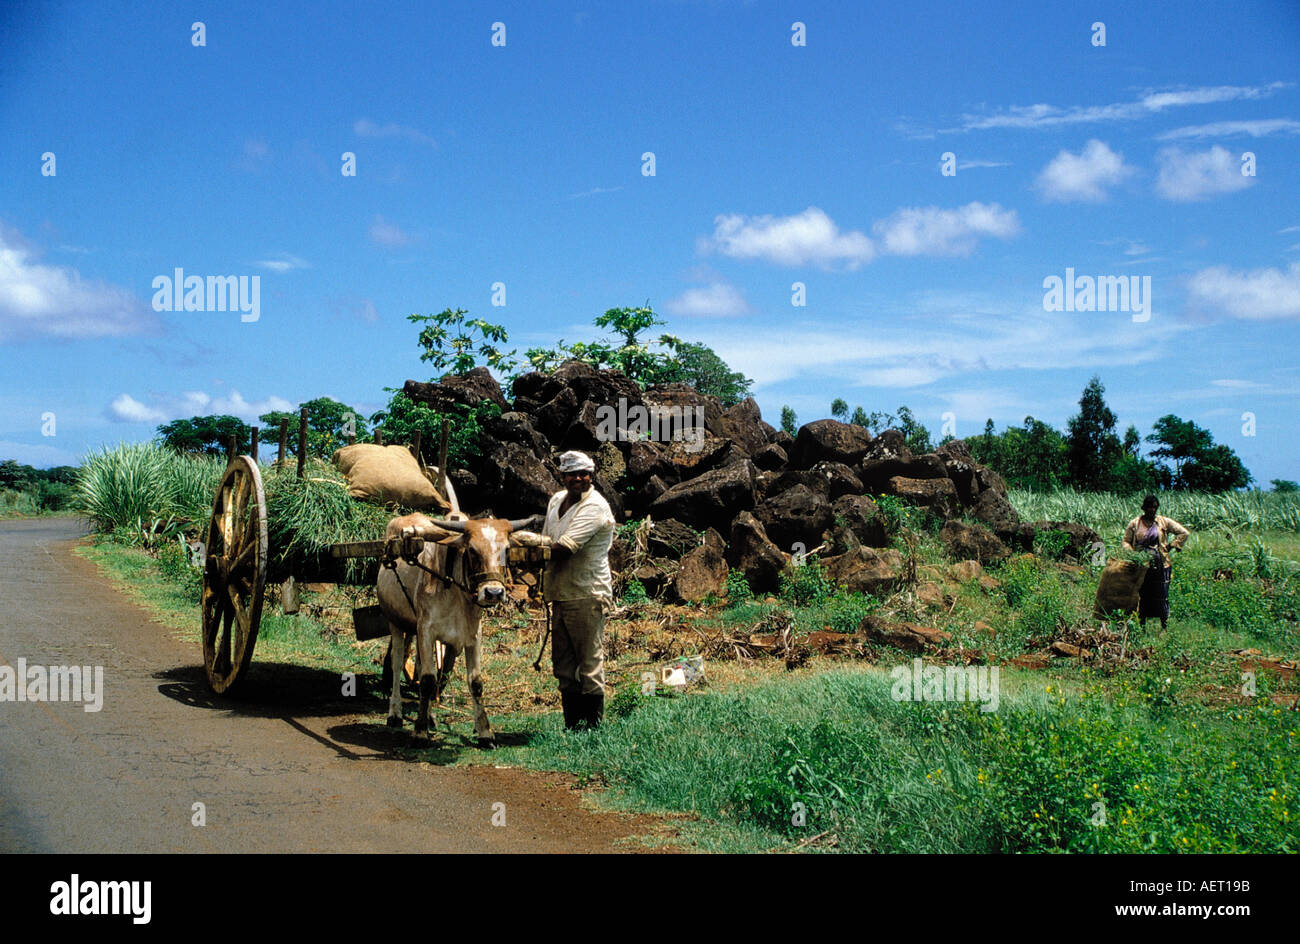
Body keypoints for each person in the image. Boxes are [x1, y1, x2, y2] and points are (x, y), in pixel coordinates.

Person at [537, 450, 615, 729]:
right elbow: (547, 538)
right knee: (563, 664)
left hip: (587, 593)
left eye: (584, 474)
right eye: (572, 474)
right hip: (560, 592)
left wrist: (522, 549)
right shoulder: (557, 500)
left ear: (591, 476)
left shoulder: (595, 507)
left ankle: (593, 729)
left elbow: (563, 548)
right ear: (563, 476)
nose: (579, 479)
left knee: (589, 662)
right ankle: (572, 726)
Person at [1121, 494, 1190, 630]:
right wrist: (1133, 554)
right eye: (1149, 508)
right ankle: (1142, 626)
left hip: (1161, 565)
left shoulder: (1163, 522)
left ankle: (1164, 626)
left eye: (1154, 508)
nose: (1152, 510)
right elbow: (1125, 541)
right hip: (1142, 565)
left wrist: (1170, 546)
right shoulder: (1135, 523)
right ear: (1144, 508)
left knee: (1161, 595)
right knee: (1143, 595)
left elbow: (1184, 533)